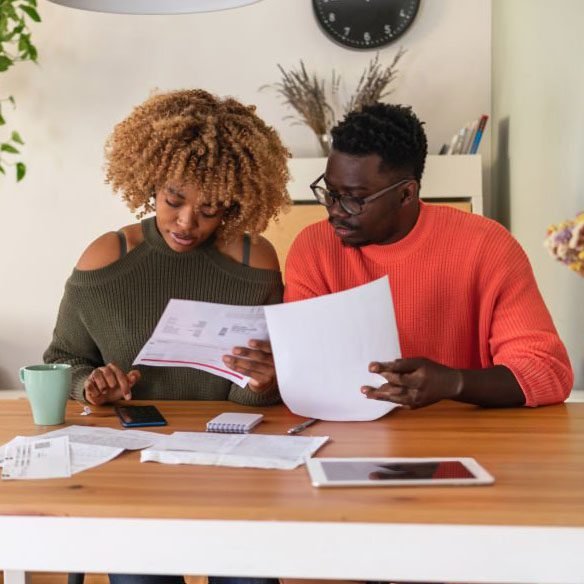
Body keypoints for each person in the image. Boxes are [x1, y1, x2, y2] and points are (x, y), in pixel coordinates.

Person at [44, 88, 290, 584]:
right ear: (150, 182)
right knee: (141, 575)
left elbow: (253, 395)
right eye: (174, 201)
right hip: (135, 464)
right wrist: (92, 386)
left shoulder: (254, 262)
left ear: (235, 204)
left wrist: (263, 381)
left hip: (231, 466)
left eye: (210, 209)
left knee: (250, 576)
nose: (186, 222)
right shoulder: (107, 258)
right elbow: (61, 359)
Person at [283, 103, 573, 409]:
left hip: (466, 437)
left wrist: (454, 383)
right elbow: (305, 368)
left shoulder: (487, 245)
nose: (335, 211)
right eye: (330, 193)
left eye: (354, 200)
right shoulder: (313, 248)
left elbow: (547, 371)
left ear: (407, 194)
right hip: (349, 438)